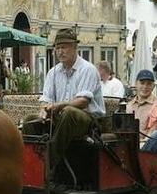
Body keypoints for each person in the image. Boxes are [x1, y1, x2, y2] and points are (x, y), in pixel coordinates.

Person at [32, 28, 105, 174]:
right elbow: (45, 99)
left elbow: (83, 101)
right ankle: (32, 164)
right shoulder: (53, 72)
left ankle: (48, 164)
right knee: (31, 120)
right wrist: (43, 111)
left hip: (89, 121)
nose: (60, 51)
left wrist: (59, 105)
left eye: (64, 47)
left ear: (75, 47)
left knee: (69, 112)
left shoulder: (88, 69)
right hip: (62, 118)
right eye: (57, 48)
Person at [126, 69, 157, 144]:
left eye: (149, 84)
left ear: (153, 86)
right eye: (142, 83)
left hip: (148, 144)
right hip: (129, 143)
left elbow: (154, 131)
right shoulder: (129, 105)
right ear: (136, 84)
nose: (145, 86)